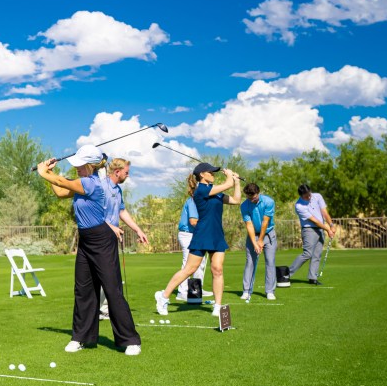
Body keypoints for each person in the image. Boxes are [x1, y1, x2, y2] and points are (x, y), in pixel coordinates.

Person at [36, 149, 144, 356]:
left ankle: (130, 340)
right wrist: (51, 176)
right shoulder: (81, 183)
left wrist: (44, 172)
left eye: (80, 165)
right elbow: (60, 191)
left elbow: (63, 182)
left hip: (102, 239)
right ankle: (80, 337)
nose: (76, 167)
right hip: (85, 239)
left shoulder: (91, 183)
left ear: (91, 166)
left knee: (112, 289)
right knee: (83, 290)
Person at [155, 163, 241, 317]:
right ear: (202, 175)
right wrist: (229, 177)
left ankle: (218, 306)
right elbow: (227, 184)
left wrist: (237, 182)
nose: (214, 175)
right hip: (202, 234)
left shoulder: (216, 193)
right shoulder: (201, 190)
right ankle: (163, 297)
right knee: (190, 269)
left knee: (217, 269)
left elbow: (236, 200)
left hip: (216, 235)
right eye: (211, 172)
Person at [96, 158, 150, 327]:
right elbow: (94, 214)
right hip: (99, 237)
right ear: (117, 172)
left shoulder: (117, 190)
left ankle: (105, 309)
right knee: (102, 276)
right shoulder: (101, 187)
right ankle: (101, 310)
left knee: (110, 275)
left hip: (112, 237)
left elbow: (122, 211)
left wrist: (138, 230)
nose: (128, 175)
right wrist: (111, 227)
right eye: (127, 172)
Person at [288, 184, 335, 285]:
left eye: (309, 194)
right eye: (306, 196)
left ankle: (312, 278)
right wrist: (328, 229)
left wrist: (331, 225)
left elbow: (324, 213)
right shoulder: (299, 206)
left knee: (317, 254)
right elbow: (315, 221)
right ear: (301, 195)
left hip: (320, 229)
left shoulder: (317, 196)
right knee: (307, 254)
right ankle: (286, 274)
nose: (309, 197)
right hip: (309, 229)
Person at [240, 183, 278, 300]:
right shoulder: (244, 205)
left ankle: (270, 291)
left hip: (268, 234)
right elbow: (249, 225)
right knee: (250, 262)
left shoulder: (268, 202)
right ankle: (246, 290)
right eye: (249, 197)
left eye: (253, 197)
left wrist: (260, 240)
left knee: (270, 262)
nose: (251, 200)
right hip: (253, 235)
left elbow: (265, 222)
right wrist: (255, 242)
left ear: (258, 193)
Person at [174, 191, 212, 301]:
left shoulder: (201, 202)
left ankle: (196, 289)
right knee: (188, 263)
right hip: (188, 235)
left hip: (196, 234)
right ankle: (182, 291)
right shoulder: (193, 201)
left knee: (200, 263)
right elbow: (193, 221)